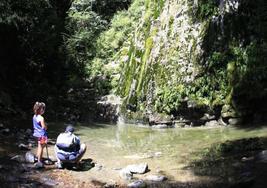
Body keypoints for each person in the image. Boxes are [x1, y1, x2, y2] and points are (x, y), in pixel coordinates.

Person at [32, 101, 47, 168]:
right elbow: (44, 127)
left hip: (36, 134)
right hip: (42, 135)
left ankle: (37, 158)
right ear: (40, 110)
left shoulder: (34, 116)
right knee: (41, 148)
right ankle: (39, 161)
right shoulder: (41, 118)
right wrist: (46, 126)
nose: (43, 110)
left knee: (39, 146)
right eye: (42, 109)